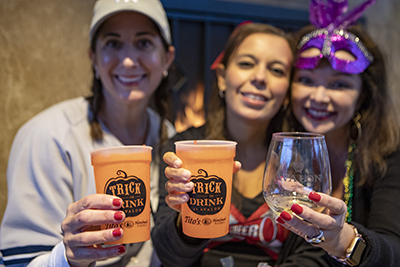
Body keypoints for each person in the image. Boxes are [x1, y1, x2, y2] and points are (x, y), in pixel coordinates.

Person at [0, 0, 175, 266]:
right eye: (113, 43)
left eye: (144, 43)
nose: (128, 61)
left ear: (167, 58)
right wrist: (67, 256)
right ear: (93, 57)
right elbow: (18, 261)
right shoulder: (48, 136)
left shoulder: (168, 135)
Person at [152, 22, 331, 267]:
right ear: (223, 78)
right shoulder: (184, 147)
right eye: (246, 64)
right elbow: (168, 256)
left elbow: (314, 253)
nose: (259, 77)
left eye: (276, 70)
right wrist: (183, 219)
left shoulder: (301, 155)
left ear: (288, 90)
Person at [275, 0, 400, 266]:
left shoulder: (390, 156)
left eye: (339, 85)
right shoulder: (278, 144)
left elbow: (394, 251)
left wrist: (343, 241)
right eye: (306, 81)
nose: (319, 97)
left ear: (363, 95)